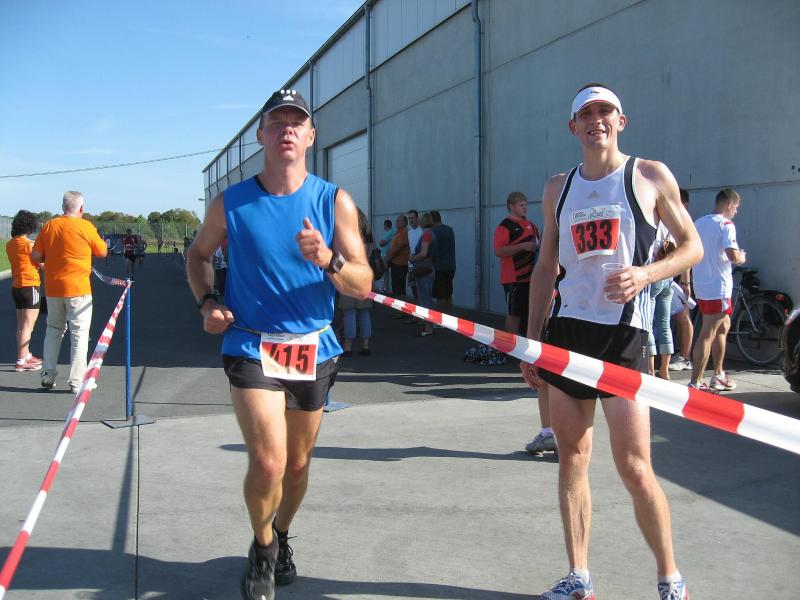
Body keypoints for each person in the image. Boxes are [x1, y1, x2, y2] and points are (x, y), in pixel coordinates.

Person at [186, 89, 371, 600]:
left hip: (313, 347)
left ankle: (281, 533)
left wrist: (328, 259)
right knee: (268, 462)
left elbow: (362, 284)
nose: (287, 129)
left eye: (296, 122)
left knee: (296, 466)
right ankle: (263, 549)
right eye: (277, 122)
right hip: (251, 345)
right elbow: (197, 256)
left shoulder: (334, 201)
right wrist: (208, 302)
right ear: (261, 136)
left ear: (311, 136)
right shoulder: (232, 203)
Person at [520, 84, 701, 600]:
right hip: (567, 335)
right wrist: (531, 340)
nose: (596, 120)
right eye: (586, 113)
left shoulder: (649, 175)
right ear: (573, 126)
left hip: (624, 338)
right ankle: (578, 576)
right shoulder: (558, 187)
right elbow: (545, 268)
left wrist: (645, 274)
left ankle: (670, 578)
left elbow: (691, 247)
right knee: (572, 459)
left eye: (606, 111)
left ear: (621, 121)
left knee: (635, 467)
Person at [31, 191, 107, 393]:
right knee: (79, 334)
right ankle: (76, 380)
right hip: (79, 290)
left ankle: (48, 374)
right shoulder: (86, 226)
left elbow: (36, 255)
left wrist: (50, 260)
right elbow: (102, 251)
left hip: (53, 289)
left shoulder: (50, 225)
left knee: (53, 330)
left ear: (62, 206)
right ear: (81, 208)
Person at [690, 188, 746, 392]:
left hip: (702, 284)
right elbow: (733, 255)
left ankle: (718, 374)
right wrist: (741, 257)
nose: (736, 212)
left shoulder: (698, 223)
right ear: (729, 205)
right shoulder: (726, 225)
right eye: (736, 208)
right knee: (708, 332)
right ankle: (695, 382)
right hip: (718, 287)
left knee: (723, 326)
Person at [493, 191, 539, 336]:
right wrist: (522, 246)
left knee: (528, 311)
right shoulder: (504, 227)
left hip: (531, 278)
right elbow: (499, 251)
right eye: (521, 205)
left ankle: (525, 341)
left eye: (526, 205)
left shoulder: (531, 225)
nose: (524, 208)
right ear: (511, 206)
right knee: (514, 312)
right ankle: (511, 343)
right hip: (513, 279)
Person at [5, 210, 44, 372]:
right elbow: (43, 265)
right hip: (30, 285)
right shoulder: (30, 245)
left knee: (21, 325)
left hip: (17, 286)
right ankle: (21, 360)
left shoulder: (10, 244)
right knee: (28, 326)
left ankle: (25, 354)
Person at [339, 208, 374, 356]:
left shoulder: (347, 234)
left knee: (349, 312)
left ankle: (348, 346)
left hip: (349, 276)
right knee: (364, 311)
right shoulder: (368, 236)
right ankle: (365, 345)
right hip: (365, 276)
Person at [668, 189, 695, 372]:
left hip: (678, 278)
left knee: (682, 316)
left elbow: (688, 253)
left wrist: (685, 282)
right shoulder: (671, 219)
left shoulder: (684, 223)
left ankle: (685, 357)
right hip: (668, 273)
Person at [647, 222, 677, 379]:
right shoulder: (671, 225)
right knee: (665, 324)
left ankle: (650, 369)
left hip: (654, 275)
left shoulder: (653, 224)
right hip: (669, 276)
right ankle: (664, 370)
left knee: (648, 324)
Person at [409, 212, 436, 337]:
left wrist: (413, 258)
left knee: (425, 300)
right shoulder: (433, 233)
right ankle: (429, 326)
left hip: (424, 270)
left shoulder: (426, 234)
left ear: (422, 221)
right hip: (430, 268)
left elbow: (424, 253)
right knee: (427, 298)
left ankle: (428, 327)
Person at [430, 210, 456, 313]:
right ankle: (450, 316)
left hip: (439, 267)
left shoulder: (433, 232)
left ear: (432, 220)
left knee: (440, 296)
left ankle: (440, 318)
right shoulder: (450, 230)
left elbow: (432, 251)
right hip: (450, 266)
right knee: (448, 294)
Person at [385, 214, 409, 299]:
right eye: (397, 220)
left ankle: (401, 305)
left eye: (399, 220)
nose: (397, 222)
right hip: (394, 263)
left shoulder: (404, 233)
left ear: (405, 222)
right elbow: (392, 247)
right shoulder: (397, 232)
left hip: (400, 264)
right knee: (395, 287)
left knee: (400, 288)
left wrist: (387, 259)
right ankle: (396, 304)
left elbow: (398, 248)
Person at [406, 209, 422, 301]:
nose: (411, 220)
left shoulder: (422, 231)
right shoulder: (409, 233)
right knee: (414, 290)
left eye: (412, 218)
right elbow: (410, 248)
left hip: (421, 265)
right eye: (409, 218)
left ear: (417, 218)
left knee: (422, 291)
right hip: (411, 266)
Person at [377, 218, 394, 294]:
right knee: (385, 272)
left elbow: (381, 243)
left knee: (385, 272)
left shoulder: (390, 233)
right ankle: (385, 288)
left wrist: (380, 242)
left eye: (384, 225)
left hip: (385, 255)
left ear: (386, 225)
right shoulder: (390, 232)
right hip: (386, 254)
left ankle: (385, 288)